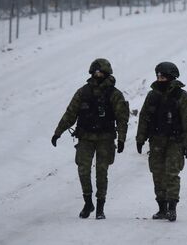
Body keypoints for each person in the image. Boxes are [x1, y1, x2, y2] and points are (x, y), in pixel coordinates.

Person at [51, 58, 129, 220]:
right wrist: (58, 132)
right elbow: (70, 113)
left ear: (106, 73)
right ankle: (88, 202)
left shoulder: (114, 94)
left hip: (105, 138)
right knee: (83, 170)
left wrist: (121, 138)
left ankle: (100, 207)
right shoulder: (83, 92)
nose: (97, 74)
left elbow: (122, 118)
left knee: (102, 172)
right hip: (85, 137)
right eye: (94, 72)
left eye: (100, 72)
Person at [136, 62, 187, 222]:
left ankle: (172, 207)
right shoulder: (152, 95)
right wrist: (140, 138)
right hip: (156, 141)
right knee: (157, 173)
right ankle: (161, 207)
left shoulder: (181, 96)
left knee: (171, 174)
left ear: (170, 77)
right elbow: (144, 118)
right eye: (158, 76)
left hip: (175, 141)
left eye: (162, 76)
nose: (159, 78)